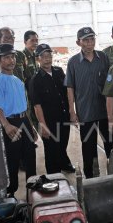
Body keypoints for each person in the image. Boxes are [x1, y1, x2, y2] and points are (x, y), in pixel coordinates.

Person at [0, 43, 37, 197]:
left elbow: (24, 107)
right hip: (10, 124)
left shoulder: (17, 80)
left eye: (13, 56)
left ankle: (33, 189)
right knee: (13, 160)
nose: (11, 60)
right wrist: (6, 125)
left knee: (30, 157)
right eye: (7, 57)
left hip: (24, 121)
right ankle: (11, 193)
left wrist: (31, 127)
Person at [65, 27, 113, 179]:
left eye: (92, 39)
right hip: (86, 113)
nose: (89, 43)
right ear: (78, 42)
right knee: (88, 148)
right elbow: (70, 87)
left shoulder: (103, 58)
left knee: (110, 144)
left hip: (105, 111)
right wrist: (72, 111)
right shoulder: (73, 62)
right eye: (85, 40)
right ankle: (92, 178)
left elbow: (111, 83)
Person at [29, 44, 75, 174]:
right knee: (51, 151)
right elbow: (37, 106)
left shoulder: (59, 71)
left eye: (49, 55)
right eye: (43, 56)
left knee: (62, 145)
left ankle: (64, 164)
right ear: (38, 59)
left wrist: (72, 111)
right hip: (49, 121)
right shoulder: (35, 80)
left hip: (64, 117)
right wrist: (42, 125)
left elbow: (67, 92)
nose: (47, 59)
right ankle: (54, 177)